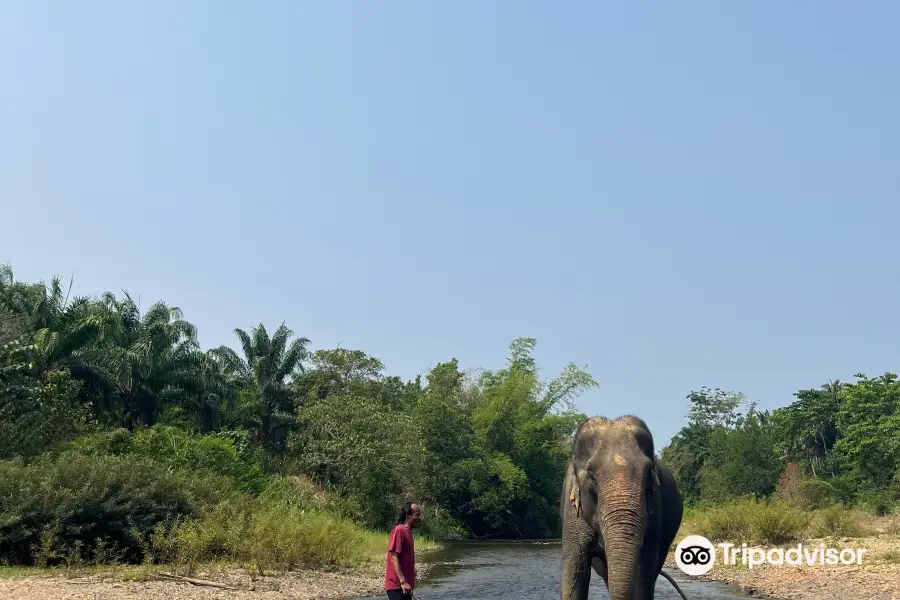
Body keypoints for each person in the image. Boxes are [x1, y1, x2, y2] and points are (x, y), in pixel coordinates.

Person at [385, 502, 422, 600]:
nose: (419, 518)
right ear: (408, 515)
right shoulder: (399, 530)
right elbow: (393, 556)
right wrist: (402, 581)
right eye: (417, 515)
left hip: (406, 587)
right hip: (397, 586)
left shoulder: (408, 533)